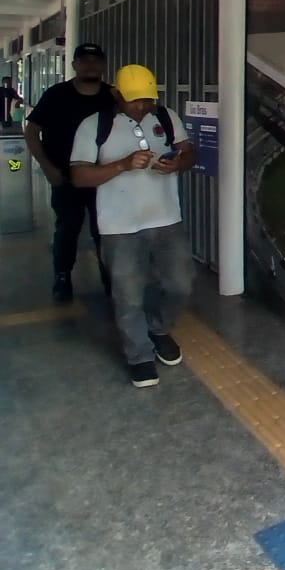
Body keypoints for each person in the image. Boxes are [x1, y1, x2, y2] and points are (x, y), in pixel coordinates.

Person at [69, 64, 196, 389]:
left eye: (148, 100)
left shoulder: (166, 117)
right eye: (134, 100)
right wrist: (122, 165)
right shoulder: (94, 125)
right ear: (116, 94)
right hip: (118, 227)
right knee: (128, 296)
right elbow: (79, 176)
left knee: (181, 284)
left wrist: (177, 164)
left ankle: (158, 328)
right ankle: (139, 355)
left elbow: (188, 154)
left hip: (166, 220)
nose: (142, 106)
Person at [24, 43, 117, 302]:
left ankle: (110, 278)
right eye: (84, 60)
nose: (90, 65)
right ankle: (62, 277)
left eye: (95, 61)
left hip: (103, 178)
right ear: (74, 65)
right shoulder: (56, 95)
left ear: (103, 65)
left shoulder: (113, 96)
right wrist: (47, 167)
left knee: (105, 230)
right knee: (67, 228)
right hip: (65, 177)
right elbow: (31, 132)